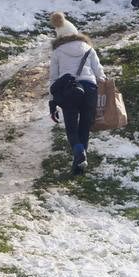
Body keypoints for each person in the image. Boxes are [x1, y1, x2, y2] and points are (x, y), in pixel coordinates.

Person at [46, 11, 105, 175]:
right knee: (85, 127)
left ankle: (79, 152)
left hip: (69, 90)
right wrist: (104, 82)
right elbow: (99, 71)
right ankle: (79, 167)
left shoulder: (58, 52)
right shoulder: (88, 48)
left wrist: (52, 102)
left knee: (72, 128)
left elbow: (53, 78)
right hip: (90, 88)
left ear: (59, 36)